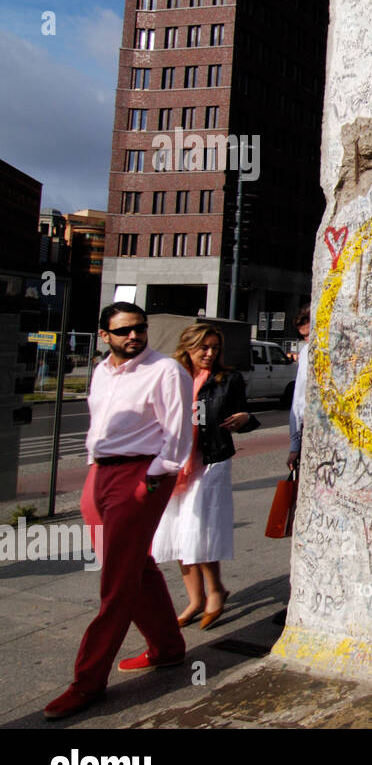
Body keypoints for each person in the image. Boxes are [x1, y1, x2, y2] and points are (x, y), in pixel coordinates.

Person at [44, 303, 193, 720]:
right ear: (104, 335)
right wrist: (92, 477)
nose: (135, 336)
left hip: (139, 474)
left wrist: (151, 477)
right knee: (134, 566)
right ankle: (168, 648)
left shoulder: (165, 371)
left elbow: (179, 436)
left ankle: (86, 683)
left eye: (140, 328)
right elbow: (99, 426)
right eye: (124, 330)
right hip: (100, 473)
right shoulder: (101, 370)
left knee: (116, 582)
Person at [152, 324, 259, 631]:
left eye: (214, 347)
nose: (210, 354)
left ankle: (215, 591)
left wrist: (246, 419)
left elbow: (245, 416)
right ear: (187, 347)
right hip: (176, 463)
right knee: (177, 532)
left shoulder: (228, 379)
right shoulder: (173, 378)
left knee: (198, 529)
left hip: (210, 460)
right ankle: (194, 599)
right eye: (203, 347)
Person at [286, 305, 311, 472]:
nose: (308, 340)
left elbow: (299, 401)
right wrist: (295, 444)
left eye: (309, 334)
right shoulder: (307, 352)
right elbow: (299, 401)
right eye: (304, 336)